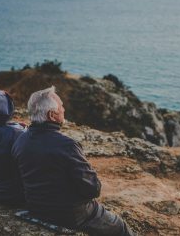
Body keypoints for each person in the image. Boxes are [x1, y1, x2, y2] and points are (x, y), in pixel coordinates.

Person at [11, 86, 135, 236]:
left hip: (36, 209)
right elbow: (93, 189)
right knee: (121, 227)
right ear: (52, 115)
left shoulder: (20, 140)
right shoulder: (67, 145)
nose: (64, 109)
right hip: (73, 215)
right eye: (61, 106)